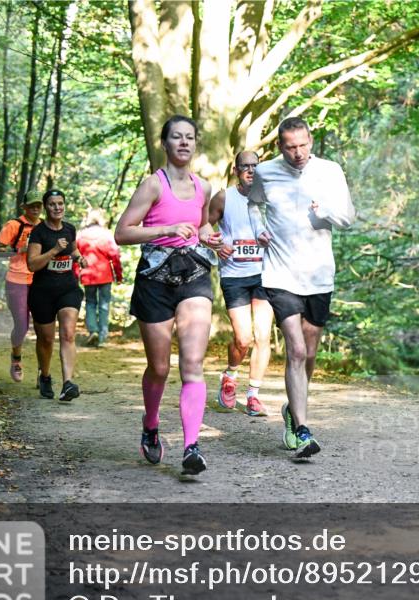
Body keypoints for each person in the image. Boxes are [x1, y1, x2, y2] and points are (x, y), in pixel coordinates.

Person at [113, 114, 222, 476]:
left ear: (195, 143)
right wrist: (166, 228)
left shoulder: (203, 186)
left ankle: (192, 446)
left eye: (189, 137)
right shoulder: (152, 186)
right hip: (154, 280)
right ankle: (152, 423)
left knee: (192, 364)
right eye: (176, 137)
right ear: (165, 143)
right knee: (159, 368)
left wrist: (209, 236)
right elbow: (122, 233)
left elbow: (203, 221)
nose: (184, 143)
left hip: (192, 274)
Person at [249, 117, 355, 459]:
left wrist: (324, 211)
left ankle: (293, 410)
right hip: (280, 274)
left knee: (309, 353)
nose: (298, 153)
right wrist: (257, 229)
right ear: (280, 146)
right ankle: (303, 429)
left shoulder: (330, 171)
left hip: (319, 274)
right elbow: (254, 204)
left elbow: (349, 217)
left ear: (311, 141)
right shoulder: (265, 172)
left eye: (303, 145)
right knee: (295, 350)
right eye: (291, 147)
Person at [208, 150, 273, 417]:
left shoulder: (269, 197)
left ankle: (254, 395)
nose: (250, 170)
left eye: (255, 166)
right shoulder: (224, 197)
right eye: (244, 166)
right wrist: (215, 243)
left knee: (263, 336)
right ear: (236, 170)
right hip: (234, 276)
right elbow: (203, 226)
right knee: (243, 338)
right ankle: (230, 374)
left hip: (265, 274)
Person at [26, 189, 87, 402]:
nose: (57, 207)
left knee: (69, 333)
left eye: (60, 203)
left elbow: (73, 250)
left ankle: (68, 383)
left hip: (68, 288)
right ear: (46, 207)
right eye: (52, 204)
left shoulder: (69, 229)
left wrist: (79, 258)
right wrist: (52, 251)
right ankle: (44, 376)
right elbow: (32, 264)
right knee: (46, 339)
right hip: (42, 292)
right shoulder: (38, 233)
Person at [0, 191, 43, 382]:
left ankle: (43, 371)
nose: (35, 208)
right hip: (17, 280)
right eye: (32, 205)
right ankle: (16, 359)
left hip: (41, 279)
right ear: (24, 207)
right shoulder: (14, 225)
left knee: (43, 327)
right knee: (22, 325)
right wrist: (19, 249)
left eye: (39, 205)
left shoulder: (45, 226)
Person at [76, 210, 123, 347]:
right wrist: (118, 275)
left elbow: (75, 257)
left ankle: (93, 331)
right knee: (104, 305)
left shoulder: (81, 236)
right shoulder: (107, 235)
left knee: (90, 303)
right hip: (104, 275)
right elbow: (115, 257)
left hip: (87, 274)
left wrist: (75, 274)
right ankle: (103, 336)